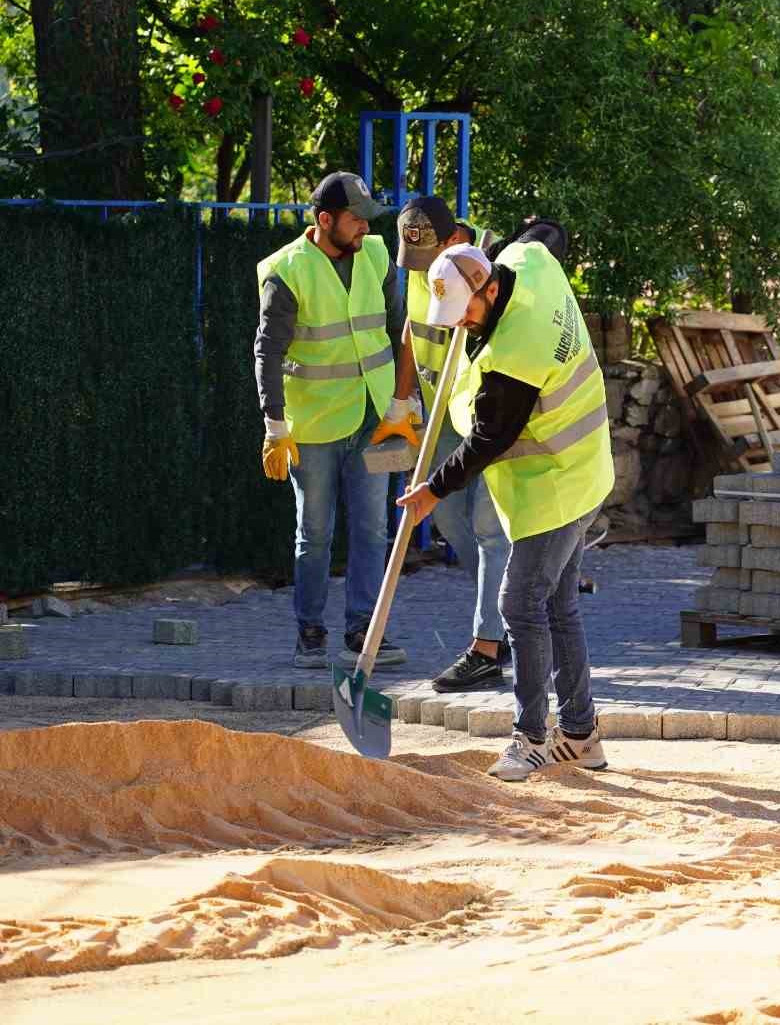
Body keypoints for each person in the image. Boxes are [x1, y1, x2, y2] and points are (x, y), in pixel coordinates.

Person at [396, 241, 613, 779]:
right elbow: (535, 240)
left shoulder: (517, 352)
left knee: (518, 603)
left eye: (467, 312)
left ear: (491, 289)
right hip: (584, 466)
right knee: (558, 606)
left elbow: (489, 438)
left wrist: (432, 491)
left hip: (557, 485)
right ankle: (581, 736)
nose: (463, 325)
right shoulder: (527, 262)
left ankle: (533, 737)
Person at [255, 171, 418, 669]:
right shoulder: (287, 270)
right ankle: (310, 632)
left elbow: (399, 329)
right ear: (325, 221)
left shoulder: (375, 256)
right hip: (316, 426)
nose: (365, 229)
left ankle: (364, 631)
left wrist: (402, 403)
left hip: (374, 417)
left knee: (372, 529)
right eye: (355, 220)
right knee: (315, 533)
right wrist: (275, 425)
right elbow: (268, 352)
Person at [395, 196, 511, 693]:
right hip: (442, 412)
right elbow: (412, 331)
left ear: (454, 242)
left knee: (490, 527)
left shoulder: (486, 266)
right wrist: (402, 401)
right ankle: (503, 611)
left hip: (483, 411)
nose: (420, 272)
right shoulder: (421, 266)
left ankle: (488, 643)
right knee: (441, 514)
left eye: (427, 259)